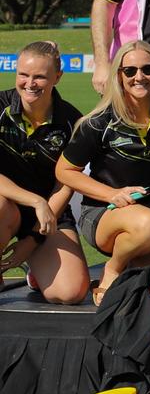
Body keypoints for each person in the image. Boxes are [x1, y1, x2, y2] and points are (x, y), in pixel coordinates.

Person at [56, 41, 150, 303]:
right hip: (104, 214)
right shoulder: (99, 122)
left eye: (147, 69)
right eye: (129, 71)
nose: (139, 77)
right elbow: (64, 171)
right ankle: (113, 269)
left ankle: (133, 260)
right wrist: (112, 194)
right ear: (118, 75)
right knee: (148, 224)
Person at [0, 42, 89, 304]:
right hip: (8, 205)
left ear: (57, 77)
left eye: (39, 76)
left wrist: (34, 238)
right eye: (23, 75)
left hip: (51, 211)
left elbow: (66, 182)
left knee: (70, 293)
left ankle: (36, 269)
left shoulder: (74, 121)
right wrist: (34, 201)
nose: (30, 83)